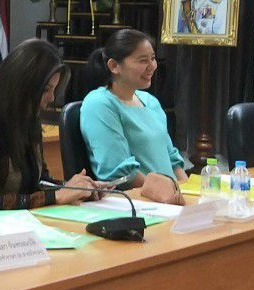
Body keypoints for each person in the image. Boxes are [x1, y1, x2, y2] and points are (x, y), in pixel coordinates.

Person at [0, 39, 106, 209]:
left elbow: (39, 182)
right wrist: (58, 195)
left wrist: (75, 188)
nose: (52, 98)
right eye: (46, 89)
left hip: (22, 224)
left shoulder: (27, 120)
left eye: (54, 89)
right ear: (21, 86)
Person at [80, 29, 187, 204]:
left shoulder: (150, 101)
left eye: (152, 58)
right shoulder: (99, 103)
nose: (152, 66)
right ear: (114, 66)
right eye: (143, 60)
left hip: (170, 199)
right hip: (138, 201)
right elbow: (121, 171)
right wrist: (163, 194)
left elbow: (173, 160)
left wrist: (187, 191)